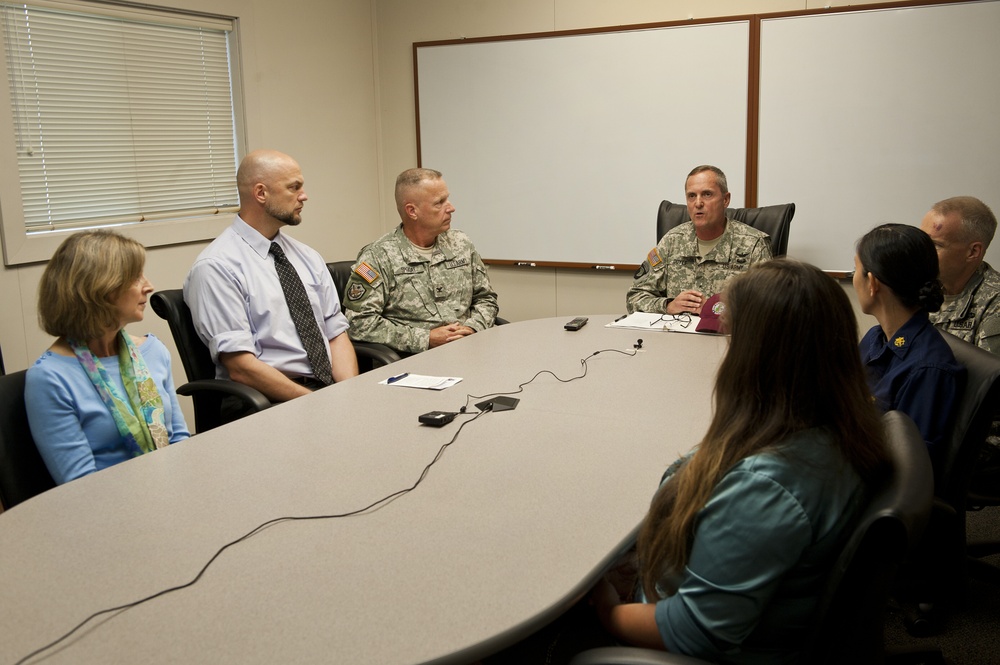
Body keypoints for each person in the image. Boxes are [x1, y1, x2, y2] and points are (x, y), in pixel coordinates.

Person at [592, 259, 890, 662]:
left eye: (734, 337)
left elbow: (693, 631)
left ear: (759, 354)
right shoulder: (831, 423)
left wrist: (607, 611)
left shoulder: (765, 485)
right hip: (709, 587)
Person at [184, 149, 358, 403]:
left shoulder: (307, 256)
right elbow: (241, 367)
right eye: (294, 187)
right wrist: (318, 403)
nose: (304, 196)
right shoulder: (217, 267)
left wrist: (349, 394)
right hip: (265, 400)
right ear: (261, 194)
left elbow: (335, 333)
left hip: (325, 391)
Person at [25, 231, 190, 484]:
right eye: (136, 277)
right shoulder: (49, 379)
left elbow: (180, 440)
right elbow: (80, 486)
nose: (149, 286)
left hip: (171, 490)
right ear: (99, 290)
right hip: (107, 511)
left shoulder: (153, 351)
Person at [342, 167, 499, 355]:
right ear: (412, 211)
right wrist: (425, 339)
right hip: (413, 361)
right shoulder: (378, 257)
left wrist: (472, 327)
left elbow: (486, 298)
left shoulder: (461, 244)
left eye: (447, 198)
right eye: (439, 202)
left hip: (469, 351)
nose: (451, 207)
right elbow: (358, 323)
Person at [854, 224, 965, 459]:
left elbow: (910, 467)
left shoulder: (928, 370)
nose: (852, 279)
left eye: (855, 269)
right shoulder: (876, 337)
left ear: (872, 283)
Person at [626, 165, 772, 315]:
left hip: (726, 336)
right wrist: (668, 305)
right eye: (691, 196)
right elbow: (634, 297)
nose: (698, 203)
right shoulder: (672, 241)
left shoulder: (754, 245)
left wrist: (714, 310)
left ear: (726, 199)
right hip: (676, 335)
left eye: (707, 194)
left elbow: (768, 308)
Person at [920, 196, 1000, 353]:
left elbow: (986, 375)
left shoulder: (994, 303)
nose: (922, 252)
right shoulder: (915, 283)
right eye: (921, 241)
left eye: (935, 245)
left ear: (973, 252)